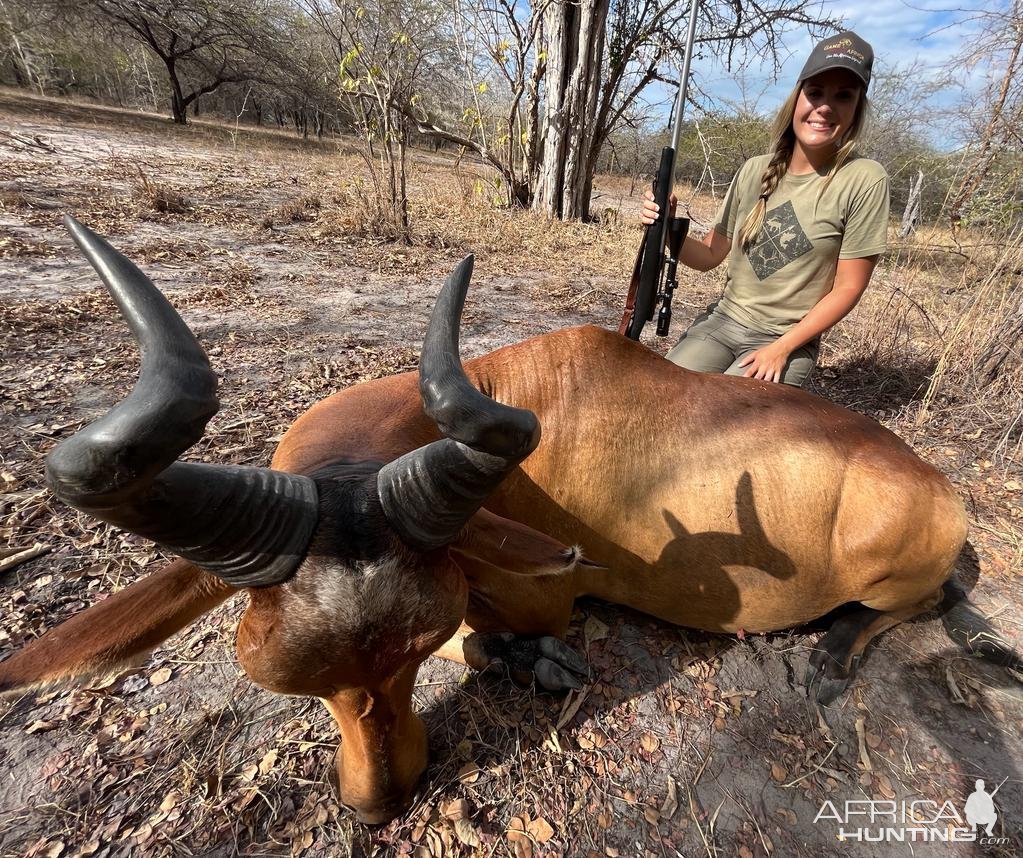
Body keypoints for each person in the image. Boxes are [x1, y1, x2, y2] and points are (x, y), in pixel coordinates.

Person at [640, 31, 889, 386]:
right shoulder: (755, 169)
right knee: (661, 395)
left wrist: (783, 348)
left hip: (785, 340)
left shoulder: (865, 179)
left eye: (843, 96)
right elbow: (709, 255)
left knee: (729, 423)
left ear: (856, 108)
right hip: (723, 322)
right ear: (797, 97)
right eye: (815, 92)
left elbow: (848, 288)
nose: (825, 107)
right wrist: (665, 228)